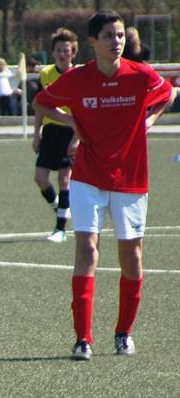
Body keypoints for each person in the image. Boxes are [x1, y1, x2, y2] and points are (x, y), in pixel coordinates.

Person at [33, 10, 176, 361]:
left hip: (131, 178)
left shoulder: (139, 74)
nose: (117, 41)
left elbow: (169, 92)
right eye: (109, 36)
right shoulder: (78, 78)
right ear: (92, 42)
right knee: (87, 250)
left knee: (132, 256)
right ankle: (83, 339)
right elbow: (42, 102)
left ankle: (124, 333)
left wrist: (149, 120)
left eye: (120, 35)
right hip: (88, 177)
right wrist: (73, 123)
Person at [32, 28, 79, 243]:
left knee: (63, 178)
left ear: (73, 53)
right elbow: (40, 106)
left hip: (70, 131)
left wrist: (76, 137)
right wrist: (36, 134)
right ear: (52, 52)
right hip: (50, 132)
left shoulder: (79, 76)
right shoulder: (46, 74)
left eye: (66, 50)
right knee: (40, 178)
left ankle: (60, 229)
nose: (62, 54)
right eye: (59, 50)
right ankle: (61, 208)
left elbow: (81, 111)